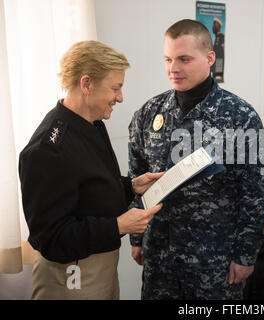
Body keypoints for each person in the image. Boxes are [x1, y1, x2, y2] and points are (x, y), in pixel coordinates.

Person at [128, 19, 264, 300]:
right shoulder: (149, 113)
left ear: (209, 58)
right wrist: (137, 238)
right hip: (160, 256)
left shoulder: (240, 116)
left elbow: (256, 192)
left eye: (184, 58)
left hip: (214, 262)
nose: (173, 68)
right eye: (168, 59)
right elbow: (137, 180)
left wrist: (245, 255)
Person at [18, 40, 163, 300]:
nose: (120, 97)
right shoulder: (47, 150)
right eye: (115, 88)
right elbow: (50, 237)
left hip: (100, 268)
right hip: (71, 278)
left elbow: (85, 190)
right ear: (86, 84)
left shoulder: (91, 123)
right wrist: (118, 226)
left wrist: (129, 186)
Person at [210, 16, 224, 82]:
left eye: (214, 24)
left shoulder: (221, 37)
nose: (212, 27)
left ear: (218, 25)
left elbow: (220, 56)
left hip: (217, 72)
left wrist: (218, 72)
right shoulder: (216, 38)